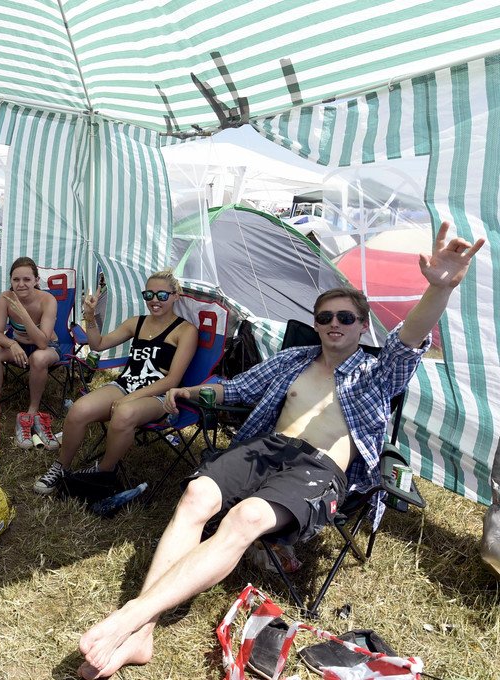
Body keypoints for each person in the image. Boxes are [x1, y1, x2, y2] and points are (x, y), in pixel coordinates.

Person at [76, 222, 484, 679]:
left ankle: (131, 616)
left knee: (245, 518)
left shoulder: (376, 372)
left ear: (362, 325)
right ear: (316, 324)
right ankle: (143, 633)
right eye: (325, 317)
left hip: (320, 468)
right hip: (266, 450)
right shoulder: (293, 360)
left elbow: (408, 341)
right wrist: (190, 392)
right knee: (195, 496)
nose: (334, 324)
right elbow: (236, 390)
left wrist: (439, 289)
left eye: (345, 317)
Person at [33, 269, 198, 495]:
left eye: (162, 295)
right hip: (124, 386)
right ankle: (61, 467)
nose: (154, 300)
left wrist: (131, 398)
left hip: (158, 396)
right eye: (148, 295)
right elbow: (98, 344)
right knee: (78, 410)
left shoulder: (186, 331)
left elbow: (172, 380)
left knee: (124, 413)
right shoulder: (137, 323)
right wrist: (90, 317)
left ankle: (103, 473)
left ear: (175, 295)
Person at [0, 257, 62, 448]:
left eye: (27, 279)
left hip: (47, 347)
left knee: (38, 357)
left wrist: (22, 312)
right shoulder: (5, 298)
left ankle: (33, 408)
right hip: (18, 345)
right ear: (11, 281)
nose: (21, 284)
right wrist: (12, 344)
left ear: (36, 280)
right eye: (16, 279)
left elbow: (42, 343)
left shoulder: (47, 300)